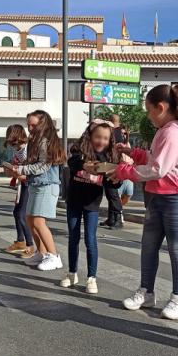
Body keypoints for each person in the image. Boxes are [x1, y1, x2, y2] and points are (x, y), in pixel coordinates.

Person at [110, 84, 178, 321]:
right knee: (149, 246)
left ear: (161, 107)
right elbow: (155, 159)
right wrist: (135, 153)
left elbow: (158, 169)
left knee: (176, 248)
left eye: (149, 110)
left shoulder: (172, 131)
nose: (148, 116)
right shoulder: (165, 129)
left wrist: (124, 171)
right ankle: (147, 291)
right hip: (160, 195)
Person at [61, 120, 121, 294]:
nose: (101, 141)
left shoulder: (109, 158)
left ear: (110, 140)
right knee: (73, 238)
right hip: (74, 201)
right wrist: (84, 165)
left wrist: (117, 178)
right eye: (98, 137)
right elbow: (72, 164)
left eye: (105, 138)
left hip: (92, 204)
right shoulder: (79, 151)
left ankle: (91, 277)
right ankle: (72, 273)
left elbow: (112, 186)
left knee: (90, 240)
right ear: (91, 136)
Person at [6, 110, 66, 271]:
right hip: (37, 184)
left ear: (43, 124)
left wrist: (22, 169)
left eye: (33, 125)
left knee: (38, 222)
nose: (30, 128)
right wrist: (20, 169)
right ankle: (42, 252)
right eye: (29, 125)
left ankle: (53, 256)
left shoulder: (46, 141)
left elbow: (43, 165)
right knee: (30, 220)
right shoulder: (37, 140)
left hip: (46, 185)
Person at [2, 124, 34, 257]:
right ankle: (20, 241)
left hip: (29, 183)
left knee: (21, 214)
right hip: (23, 182)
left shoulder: (28, 149)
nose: (12, 145)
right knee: (16, 212)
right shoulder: (17, 149)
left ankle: (30, 245)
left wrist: (16, 173)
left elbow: (31, 170)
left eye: (12, 140)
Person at [100, 113, 126, 229]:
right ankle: (111, 218)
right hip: (113, 164)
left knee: (113, 193)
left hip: (112, 166)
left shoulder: (115, 132)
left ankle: (118, 219)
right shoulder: (121, 133)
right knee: (110, 193)